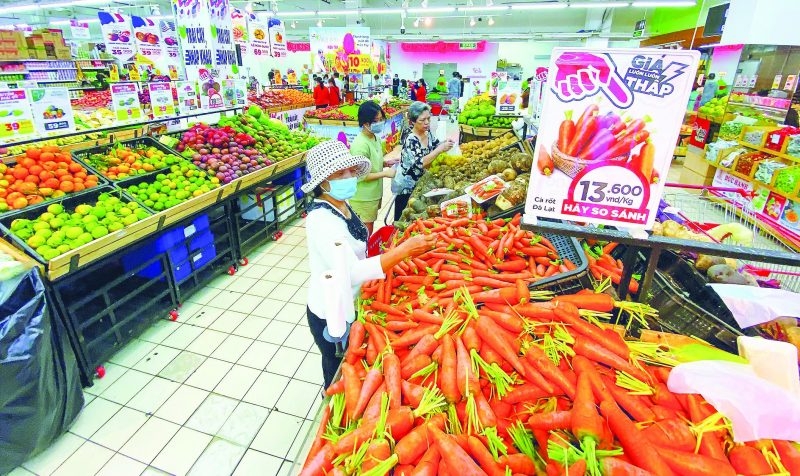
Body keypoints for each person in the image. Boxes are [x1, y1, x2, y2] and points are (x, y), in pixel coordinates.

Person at [303, 140, 437, 388]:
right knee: (336, 366)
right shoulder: (320, 220)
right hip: (331, 310)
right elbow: (350, 272)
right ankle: (329, 392)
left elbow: (356, 253)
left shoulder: (340, 205)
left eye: (350, 170)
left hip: (354, 299)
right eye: (340, 173)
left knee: (348, 361)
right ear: (323, 182)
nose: (349, 176)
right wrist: (403, 251)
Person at [393, 101, 453, 221]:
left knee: (419, 217)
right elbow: (420, 163)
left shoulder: (427, 133)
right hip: (408, 188)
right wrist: (440, 149)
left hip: (422, 184)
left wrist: (445, 143)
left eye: (428, 118)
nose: (427, 122)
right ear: (413, 121)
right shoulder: (411, 139)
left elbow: (435, 145)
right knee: (404, 219)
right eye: (422, 120)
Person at [349, 102, 394, 234]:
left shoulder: (374, 138)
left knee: (370, 224)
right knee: (365, 230)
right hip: (363, 197)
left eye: (381, 119)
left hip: (373, 193)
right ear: (365, 123)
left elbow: (371, 162)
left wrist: (385, 163)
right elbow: (361, 175)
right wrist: (385, 174)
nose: (379, 123)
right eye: (375, 121)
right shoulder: (360, 145)